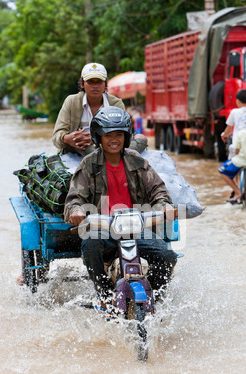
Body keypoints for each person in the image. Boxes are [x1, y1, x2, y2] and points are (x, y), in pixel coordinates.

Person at [64, 106, 177, 306]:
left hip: (136, 228)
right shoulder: (89, 164)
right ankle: (105, 296)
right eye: (108, 135)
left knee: (167, 256)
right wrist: (77, 210)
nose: (114, 140)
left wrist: (165, 206)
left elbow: (158, 190)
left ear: (127, 136)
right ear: (98, 137)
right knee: (90, 246)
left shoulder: (137, 161)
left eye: (119, 134)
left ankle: (156, 301)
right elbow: (74, 198)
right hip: (103, 228)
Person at [52, 62, 147, 165]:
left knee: (141, 138)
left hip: (110, 145)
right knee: (92, 150)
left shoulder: (116, 104)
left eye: (99, 82)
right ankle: (123, 158)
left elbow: (123, 134)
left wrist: (96, 140)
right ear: (82, 84)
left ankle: (125, 157)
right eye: (90, 82)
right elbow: (56, 136)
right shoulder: (72, 101)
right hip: (81, 145)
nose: (95, 86)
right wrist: (67, 138)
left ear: (105, 84)